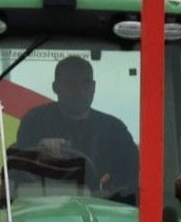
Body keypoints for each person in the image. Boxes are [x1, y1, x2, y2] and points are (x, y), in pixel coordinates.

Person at [14, 55, 139, 196]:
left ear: (93, 87)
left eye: (85, 84)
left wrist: (110, 192)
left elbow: (135, 178)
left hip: (102, 211)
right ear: (56, 87)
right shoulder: (34, 121)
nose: (79, 91)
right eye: (71, 84)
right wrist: (39, 153)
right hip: (42, 209)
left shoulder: (114, 129)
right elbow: (16, 171)